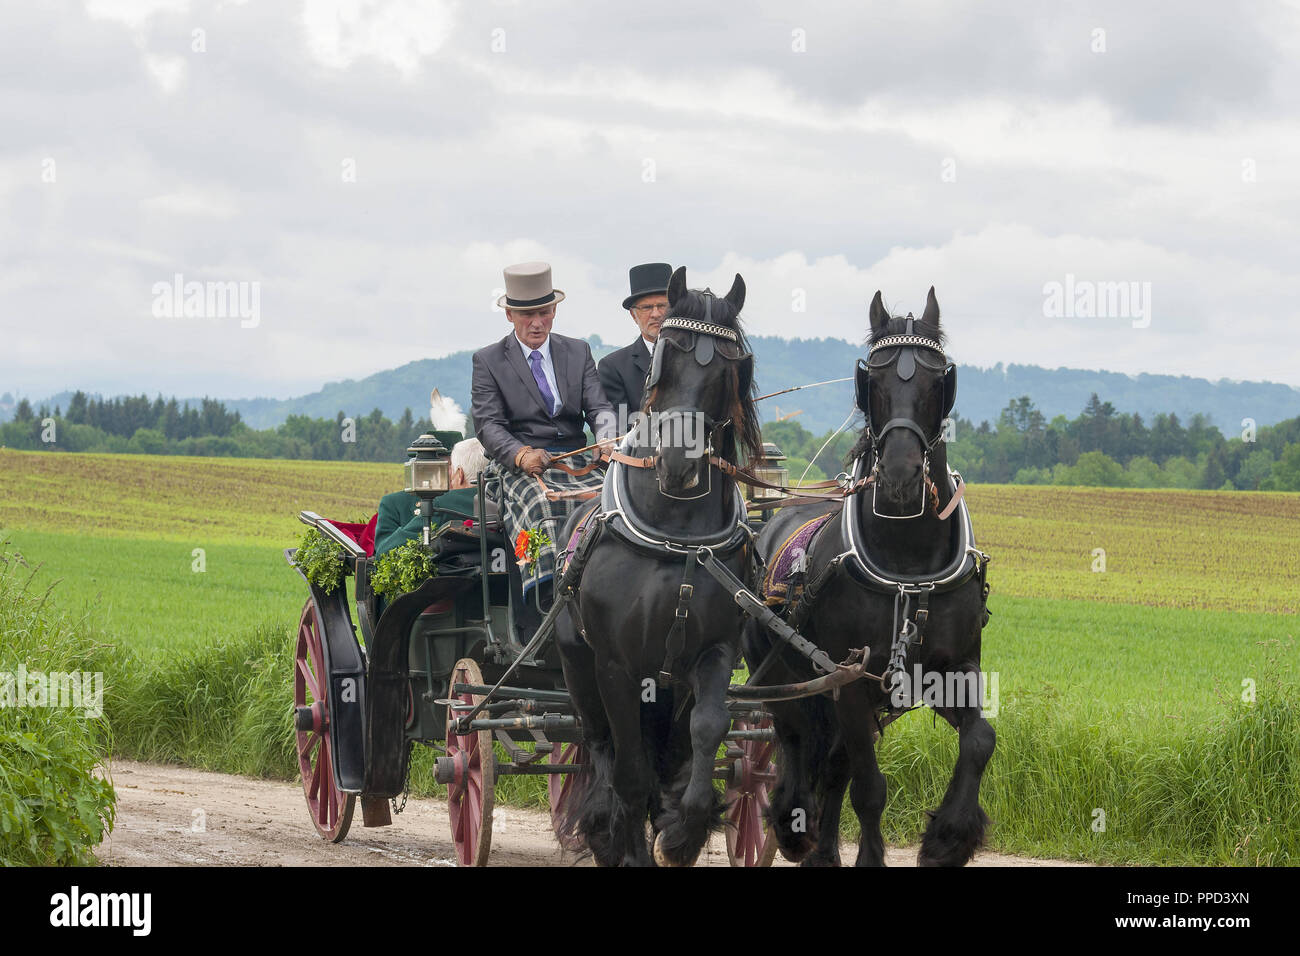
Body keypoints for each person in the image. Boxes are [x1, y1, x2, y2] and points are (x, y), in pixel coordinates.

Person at [471, 261, 616, 602]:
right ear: (510, 315)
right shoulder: (488, 361)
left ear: (554, 310)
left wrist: (607, 439)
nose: (537, 323)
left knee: (615, 501)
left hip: (578, 461)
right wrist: (521, 455)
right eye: (527, 315)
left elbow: (599, 407)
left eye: (545, 313)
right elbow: (488, 424)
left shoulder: (578, 351)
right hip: (520, 468)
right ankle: (551, 599)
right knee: (543, 506)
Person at [374, 437, 489, 556]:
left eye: (451, 469)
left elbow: (385, 552)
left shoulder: (445, 503)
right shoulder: (503, 499)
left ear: (459, 475)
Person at [598, 262, 671, 427]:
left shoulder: (693, 359)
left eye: (662, 306)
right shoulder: (613, 367)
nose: (656, 314)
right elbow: (623, 428)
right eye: (646, 308)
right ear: (633, 315)